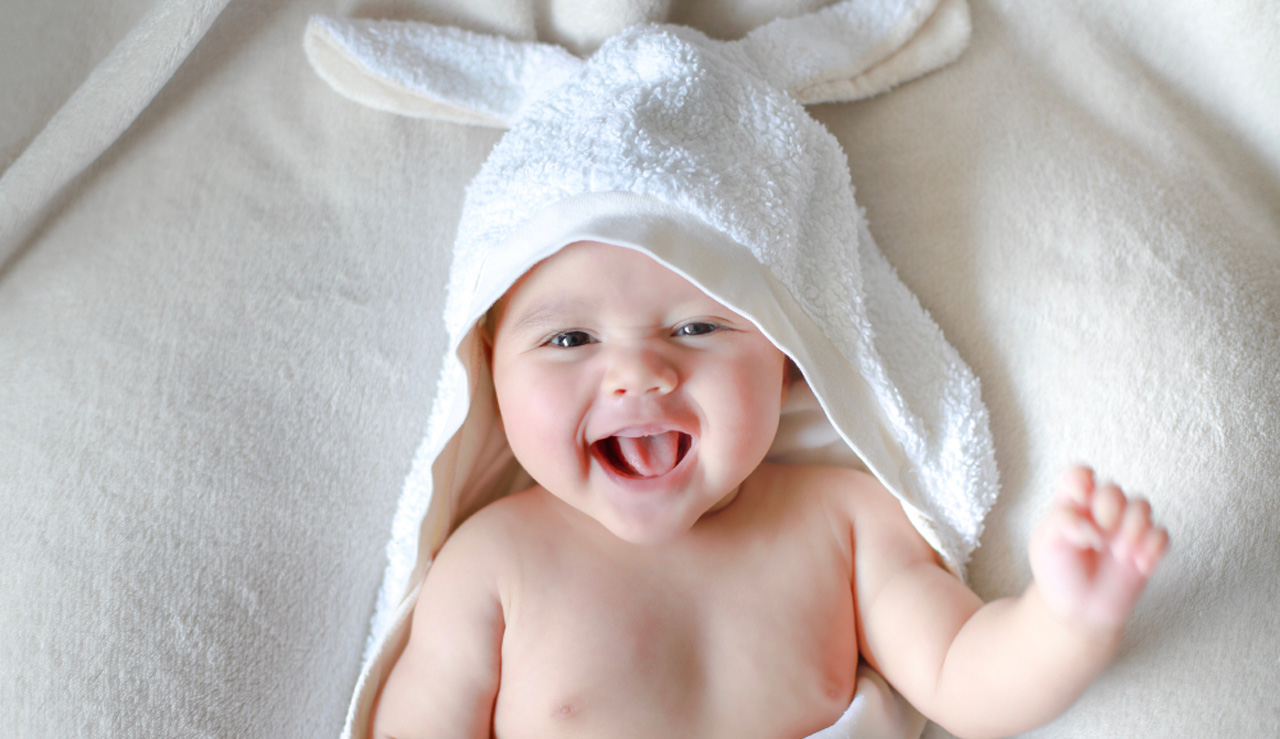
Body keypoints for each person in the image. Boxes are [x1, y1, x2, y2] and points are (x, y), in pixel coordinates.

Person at [369, 240, 1169, 739]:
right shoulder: (493, 559)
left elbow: (964, 678)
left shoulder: (844, 522)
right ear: (488, 369)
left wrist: (1066, 619)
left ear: (784, 359)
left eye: (697, 326)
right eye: (569, 337)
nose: (639, 372)